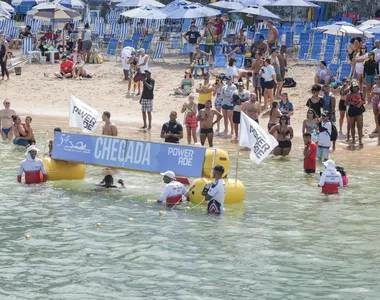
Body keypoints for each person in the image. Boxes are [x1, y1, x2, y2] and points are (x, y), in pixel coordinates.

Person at [345, 80, 365, 146]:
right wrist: (351, 103)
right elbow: (345, 103)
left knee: (359, 126)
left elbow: (364, 101)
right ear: (351, 87)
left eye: (356, 87)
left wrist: (360, 102)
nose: (355, 88)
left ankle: (360, 140)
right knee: (352, 126)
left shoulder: (360, 93)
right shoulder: (349, 94)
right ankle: (353, 140)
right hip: (351, 110)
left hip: (359, 110)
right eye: (354, 87)